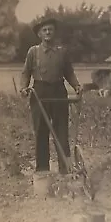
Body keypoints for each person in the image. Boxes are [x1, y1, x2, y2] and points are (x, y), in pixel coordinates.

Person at [19, 17, 82, 174]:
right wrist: (23, 87)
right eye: (44, 30)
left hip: (59, 92)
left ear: (54, 33)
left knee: (61, 131)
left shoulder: (62, 52)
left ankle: (65, 169)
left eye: (50, 30)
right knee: (41, 131)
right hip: (39, 92)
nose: (48, 32)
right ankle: (42, 170)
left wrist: (76, 86)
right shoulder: (33, 52)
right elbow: (26, 72)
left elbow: (69, 73)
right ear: (40, 34)